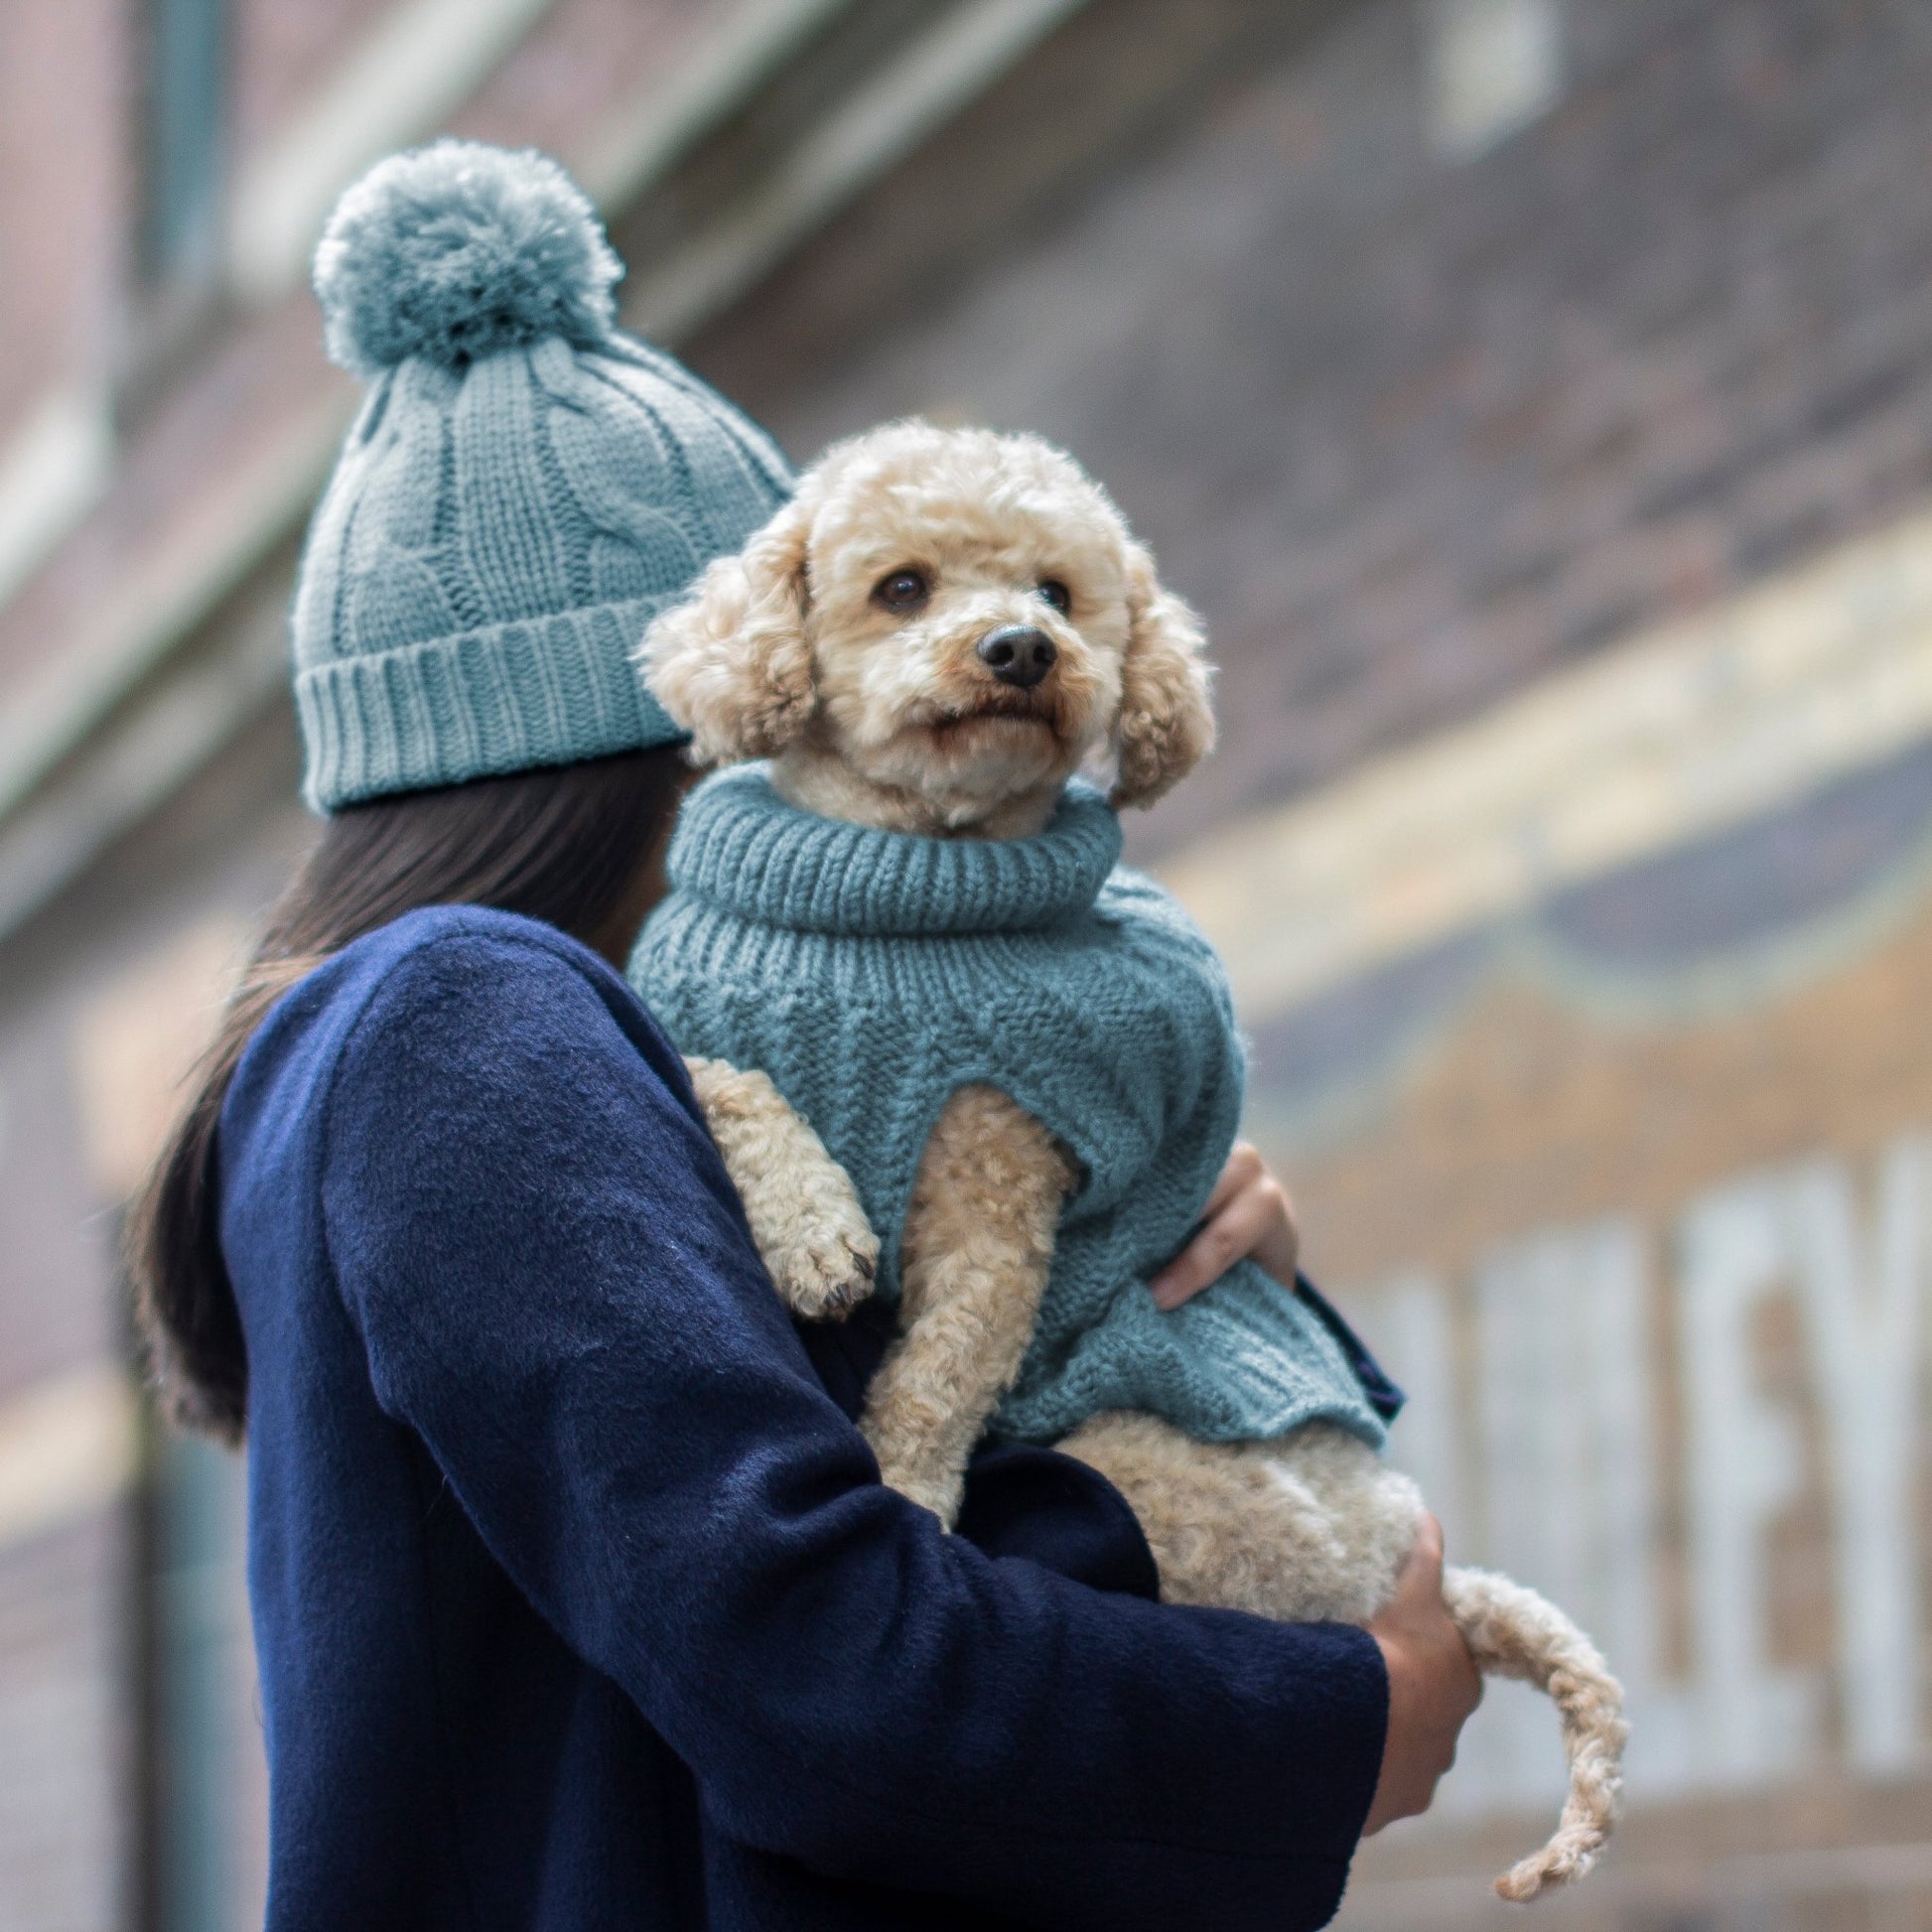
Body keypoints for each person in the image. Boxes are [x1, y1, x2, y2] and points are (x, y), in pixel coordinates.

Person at [128, 142, 1478, 1932]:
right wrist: (1334, 1711)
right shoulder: (465, 1014)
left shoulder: (420, 1049)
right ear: (705, 708)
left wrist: (1159, 1278)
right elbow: (819, 1647)